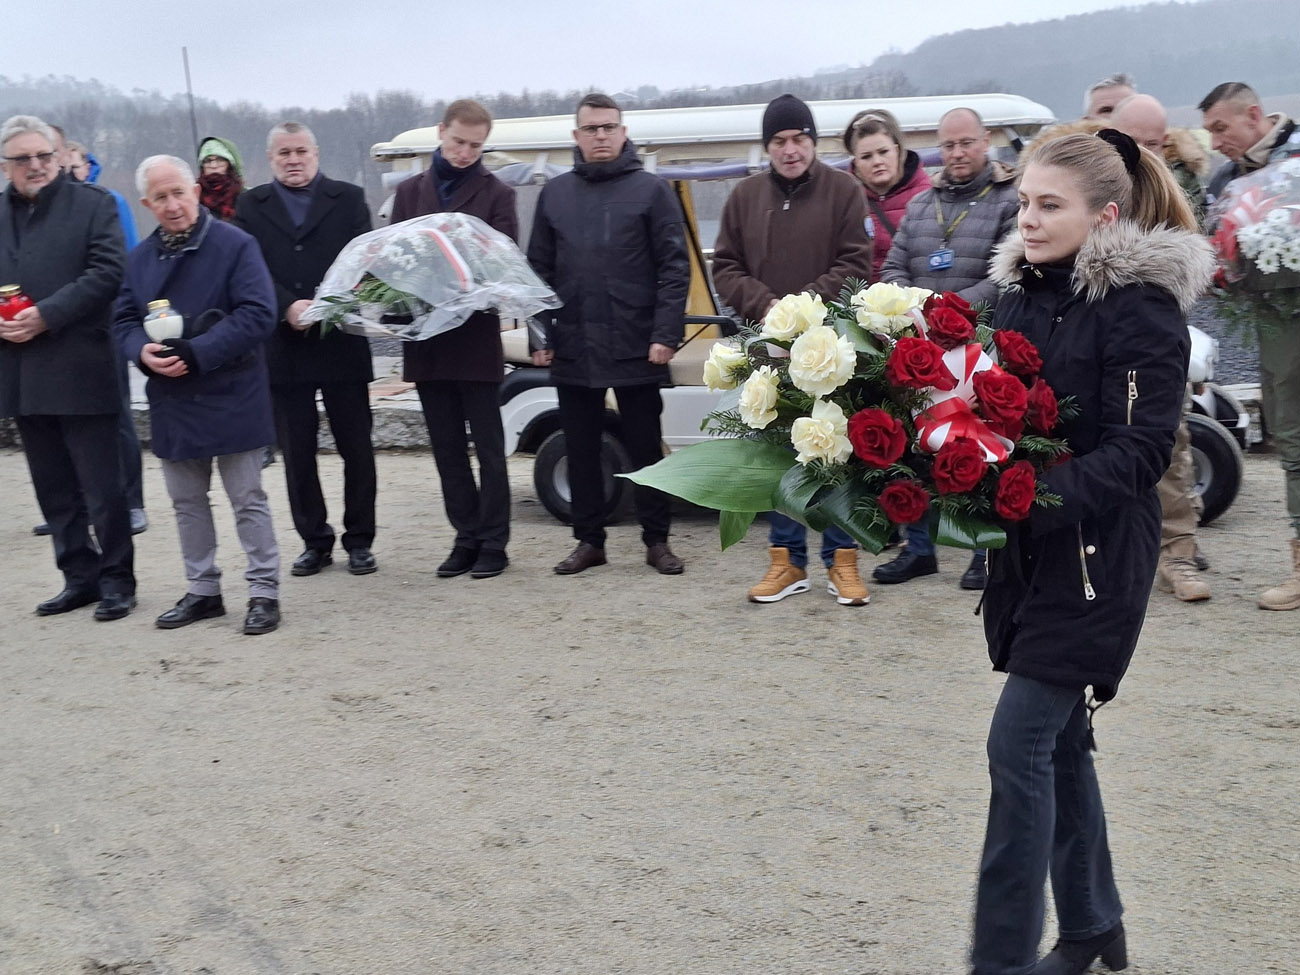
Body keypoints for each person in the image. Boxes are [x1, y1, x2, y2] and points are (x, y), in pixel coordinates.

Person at [971, 129, 1213, 975]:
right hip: (1026, 552)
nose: (1027, 221)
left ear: (1105, 214)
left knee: (1019, 745)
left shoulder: (1140, 308)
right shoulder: (1018, 295)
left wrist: (1032, 496)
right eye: (1023, 203)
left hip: (1094, 559)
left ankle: (998, 960)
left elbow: (1142, 450)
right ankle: (1091, 927)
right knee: (1063, 744)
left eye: (1049, 206)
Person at [712, 93, 873, 605]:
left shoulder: (845, 191)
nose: (790, 149)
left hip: (831, 345)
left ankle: (842, 562)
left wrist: (805, 310)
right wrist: (768, 308)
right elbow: (726, 267)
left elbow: (856, 261)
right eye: (779, 140)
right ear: (767, 147)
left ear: (813, 140)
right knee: (779, 452)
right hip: (767, 346)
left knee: (835, 450)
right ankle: (786, 563)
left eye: (799, 138)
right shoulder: (744, 197)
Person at [113, 155, 282, 635]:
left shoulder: (236, 244)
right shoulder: (139, 259)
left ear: (195, 191)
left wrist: (198, 351)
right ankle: (203, 590)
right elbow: (123, 320)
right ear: (147, 203)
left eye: (179, 193)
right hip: (172, 394)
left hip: (232, 387)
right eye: (160, 198)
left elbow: (257, 314)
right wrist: (140, 352)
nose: (172, 205)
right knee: (186, 501)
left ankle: (263, 591)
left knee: (247, 497)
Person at [528, 93, 690, 576]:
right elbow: (537, 272)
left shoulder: (651, 191)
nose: (601, 135)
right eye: (591, 128)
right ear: (576, 137)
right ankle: (589, 541)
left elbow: (674, 268)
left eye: (609, 127)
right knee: (580, 448)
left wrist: (666, 333)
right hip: (575, 344)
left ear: (623, 133)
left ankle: (657, 541)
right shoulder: (554, 195)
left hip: (639, 343)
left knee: (645, 447)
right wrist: (541, 337)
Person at [0, 114, 136, 621]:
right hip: (20, 368)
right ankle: (78, 577)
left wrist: (45, 316)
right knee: (53, 488)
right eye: (23, 159)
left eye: (43, 156)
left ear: (57, 157)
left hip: (81, 365)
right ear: (5, 166)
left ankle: (118, 579)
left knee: (103, 488)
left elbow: (108, 272)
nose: (36, 166)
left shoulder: (93, 205)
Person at [879, 107, 1019, 590]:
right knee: (915, 449)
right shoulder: (922, 203)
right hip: (921, 350)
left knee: (980, 449)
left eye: (967, 143)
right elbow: (893, 266)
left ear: (986, 142)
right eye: (949, 145)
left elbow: (1007, 272)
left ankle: (983, 550)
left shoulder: (1008, 200)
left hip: (979, 351)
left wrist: (949, 311)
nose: (957, 154)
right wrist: (916, 310)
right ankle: (919, 551)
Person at [235, 121, 378, 578]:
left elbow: (363, 265)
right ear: (271, 158)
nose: (293, 160)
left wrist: (326, 305)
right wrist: (285, 306)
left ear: (316, 154)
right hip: (284, 345)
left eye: (300, 151)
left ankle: (360, 540)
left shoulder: (350, 198)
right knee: (297, 453)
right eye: (283, 153)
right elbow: (247, 268)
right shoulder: (250, 206)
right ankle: (314, 541)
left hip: (340, 339)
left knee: (356, 448)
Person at [389, 99, 517, 580]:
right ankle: (464, 537)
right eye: (458, 142)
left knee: (488, 448)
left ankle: (494, 543)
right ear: (441, 132)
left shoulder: (498, 194)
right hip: (426, 341)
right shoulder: (408, 192)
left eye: (475, 146)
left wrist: (459, 277)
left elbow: (504, 264)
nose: (465, 153)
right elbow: (393, 257)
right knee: (446, 449)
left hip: (474, 338)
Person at [1200, 82, 1300, 610]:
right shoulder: (1224, 178)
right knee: (1291, 436)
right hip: (1273, 326)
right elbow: (1215, 245)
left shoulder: (1297, 159)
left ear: (1255, 116)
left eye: (1221, 128)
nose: (1215, 141)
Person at [1110, 94, 1212, 601]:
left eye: (1155, 142)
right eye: (1136, 143)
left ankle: (1180, 555)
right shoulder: (1090, 187)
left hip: (1153, 341)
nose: (1146, 152)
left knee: (1171, 444)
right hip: (1099, 343)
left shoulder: (1174, 192)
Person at [65, 138, 149, 536]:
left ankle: (133, 502)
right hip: (61, 331)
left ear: (87, 165)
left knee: (118, 417)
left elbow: (127, 260)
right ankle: (75, 504)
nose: (68, 172)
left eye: (74, 165)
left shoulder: (109, 201)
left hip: (105, 322)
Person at [841, 108, 932, 280]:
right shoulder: (844, 200)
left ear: (897, 151)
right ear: (856, 163)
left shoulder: (927, 194)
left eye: (883, 152)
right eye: (866, 157)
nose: (877, 162)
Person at [196, 136, 244, 222]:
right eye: (207, 161)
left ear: (230, 164)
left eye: (220, 160)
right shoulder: (194, 199)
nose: (213, 165)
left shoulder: (247, 198)